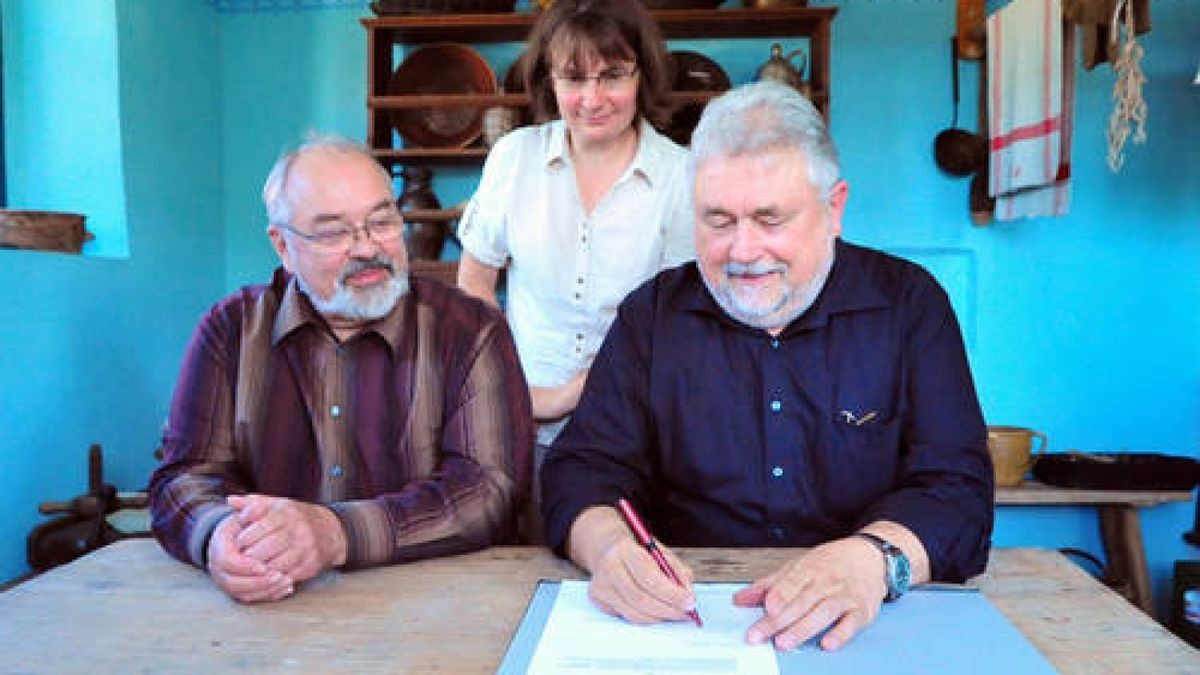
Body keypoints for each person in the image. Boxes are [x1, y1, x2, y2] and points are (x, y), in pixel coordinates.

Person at [541, 82, 994, 651]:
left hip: (871, 620)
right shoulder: (651, 316)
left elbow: (958, 488)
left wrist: (873, 559)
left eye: (769, 219)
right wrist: (609, 550)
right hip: (685, 625)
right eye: (718, 221)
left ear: (834, 208)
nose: (743, 251)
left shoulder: (909, 305)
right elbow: (581, 468)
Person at [149, 136, 533, 604]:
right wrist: (220, 536)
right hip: (274, 606)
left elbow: (487, 491)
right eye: (333, 232)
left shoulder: (470, 331)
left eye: (382, 221)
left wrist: (336, 533)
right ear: (283, 247)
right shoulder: (230, 330)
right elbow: (185, 476)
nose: (367, 247)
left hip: (433, 605)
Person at [455, 0, 694, 498]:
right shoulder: (514, 156)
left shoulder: (682, 173)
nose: (593, 98)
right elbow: (475, 280)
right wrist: (509, 383)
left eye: (612, 75)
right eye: (573, 78)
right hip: (519, 421)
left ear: (642, 76)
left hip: (634, 430)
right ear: (550, 82)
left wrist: (575, 393)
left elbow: (678, 317)